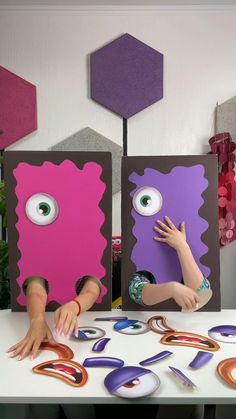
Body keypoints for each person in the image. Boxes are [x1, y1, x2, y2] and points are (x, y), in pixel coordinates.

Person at [7, 275, 101, 360]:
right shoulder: (41, 263)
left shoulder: (86, 265)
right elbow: (35, 290)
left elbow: (92, 290)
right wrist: (37, 319)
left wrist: (75, 306)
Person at [129, 215, 211, 311]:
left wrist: (182, 246)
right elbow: (135, 291)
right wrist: (172, 288)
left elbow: (201, 293)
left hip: (187, 322)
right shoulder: (141, 265)